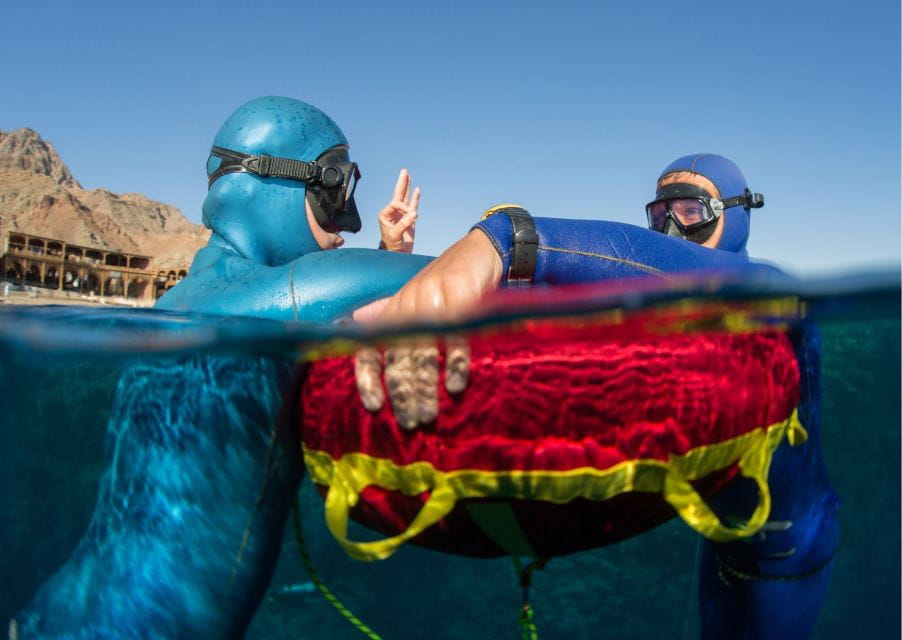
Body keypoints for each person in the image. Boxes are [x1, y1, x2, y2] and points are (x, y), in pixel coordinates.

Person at [358, 154, 838, 639]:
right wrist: (402, 273)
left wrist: (506, 237)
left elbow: (675, 271)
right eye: (658, 214)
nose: (669, 228)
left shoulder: (769, 292)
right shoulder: (660, 302)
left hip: (785, 560)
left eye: (691, 212)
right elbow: (516, 296)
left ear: (733, 218)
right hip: (722, 533)